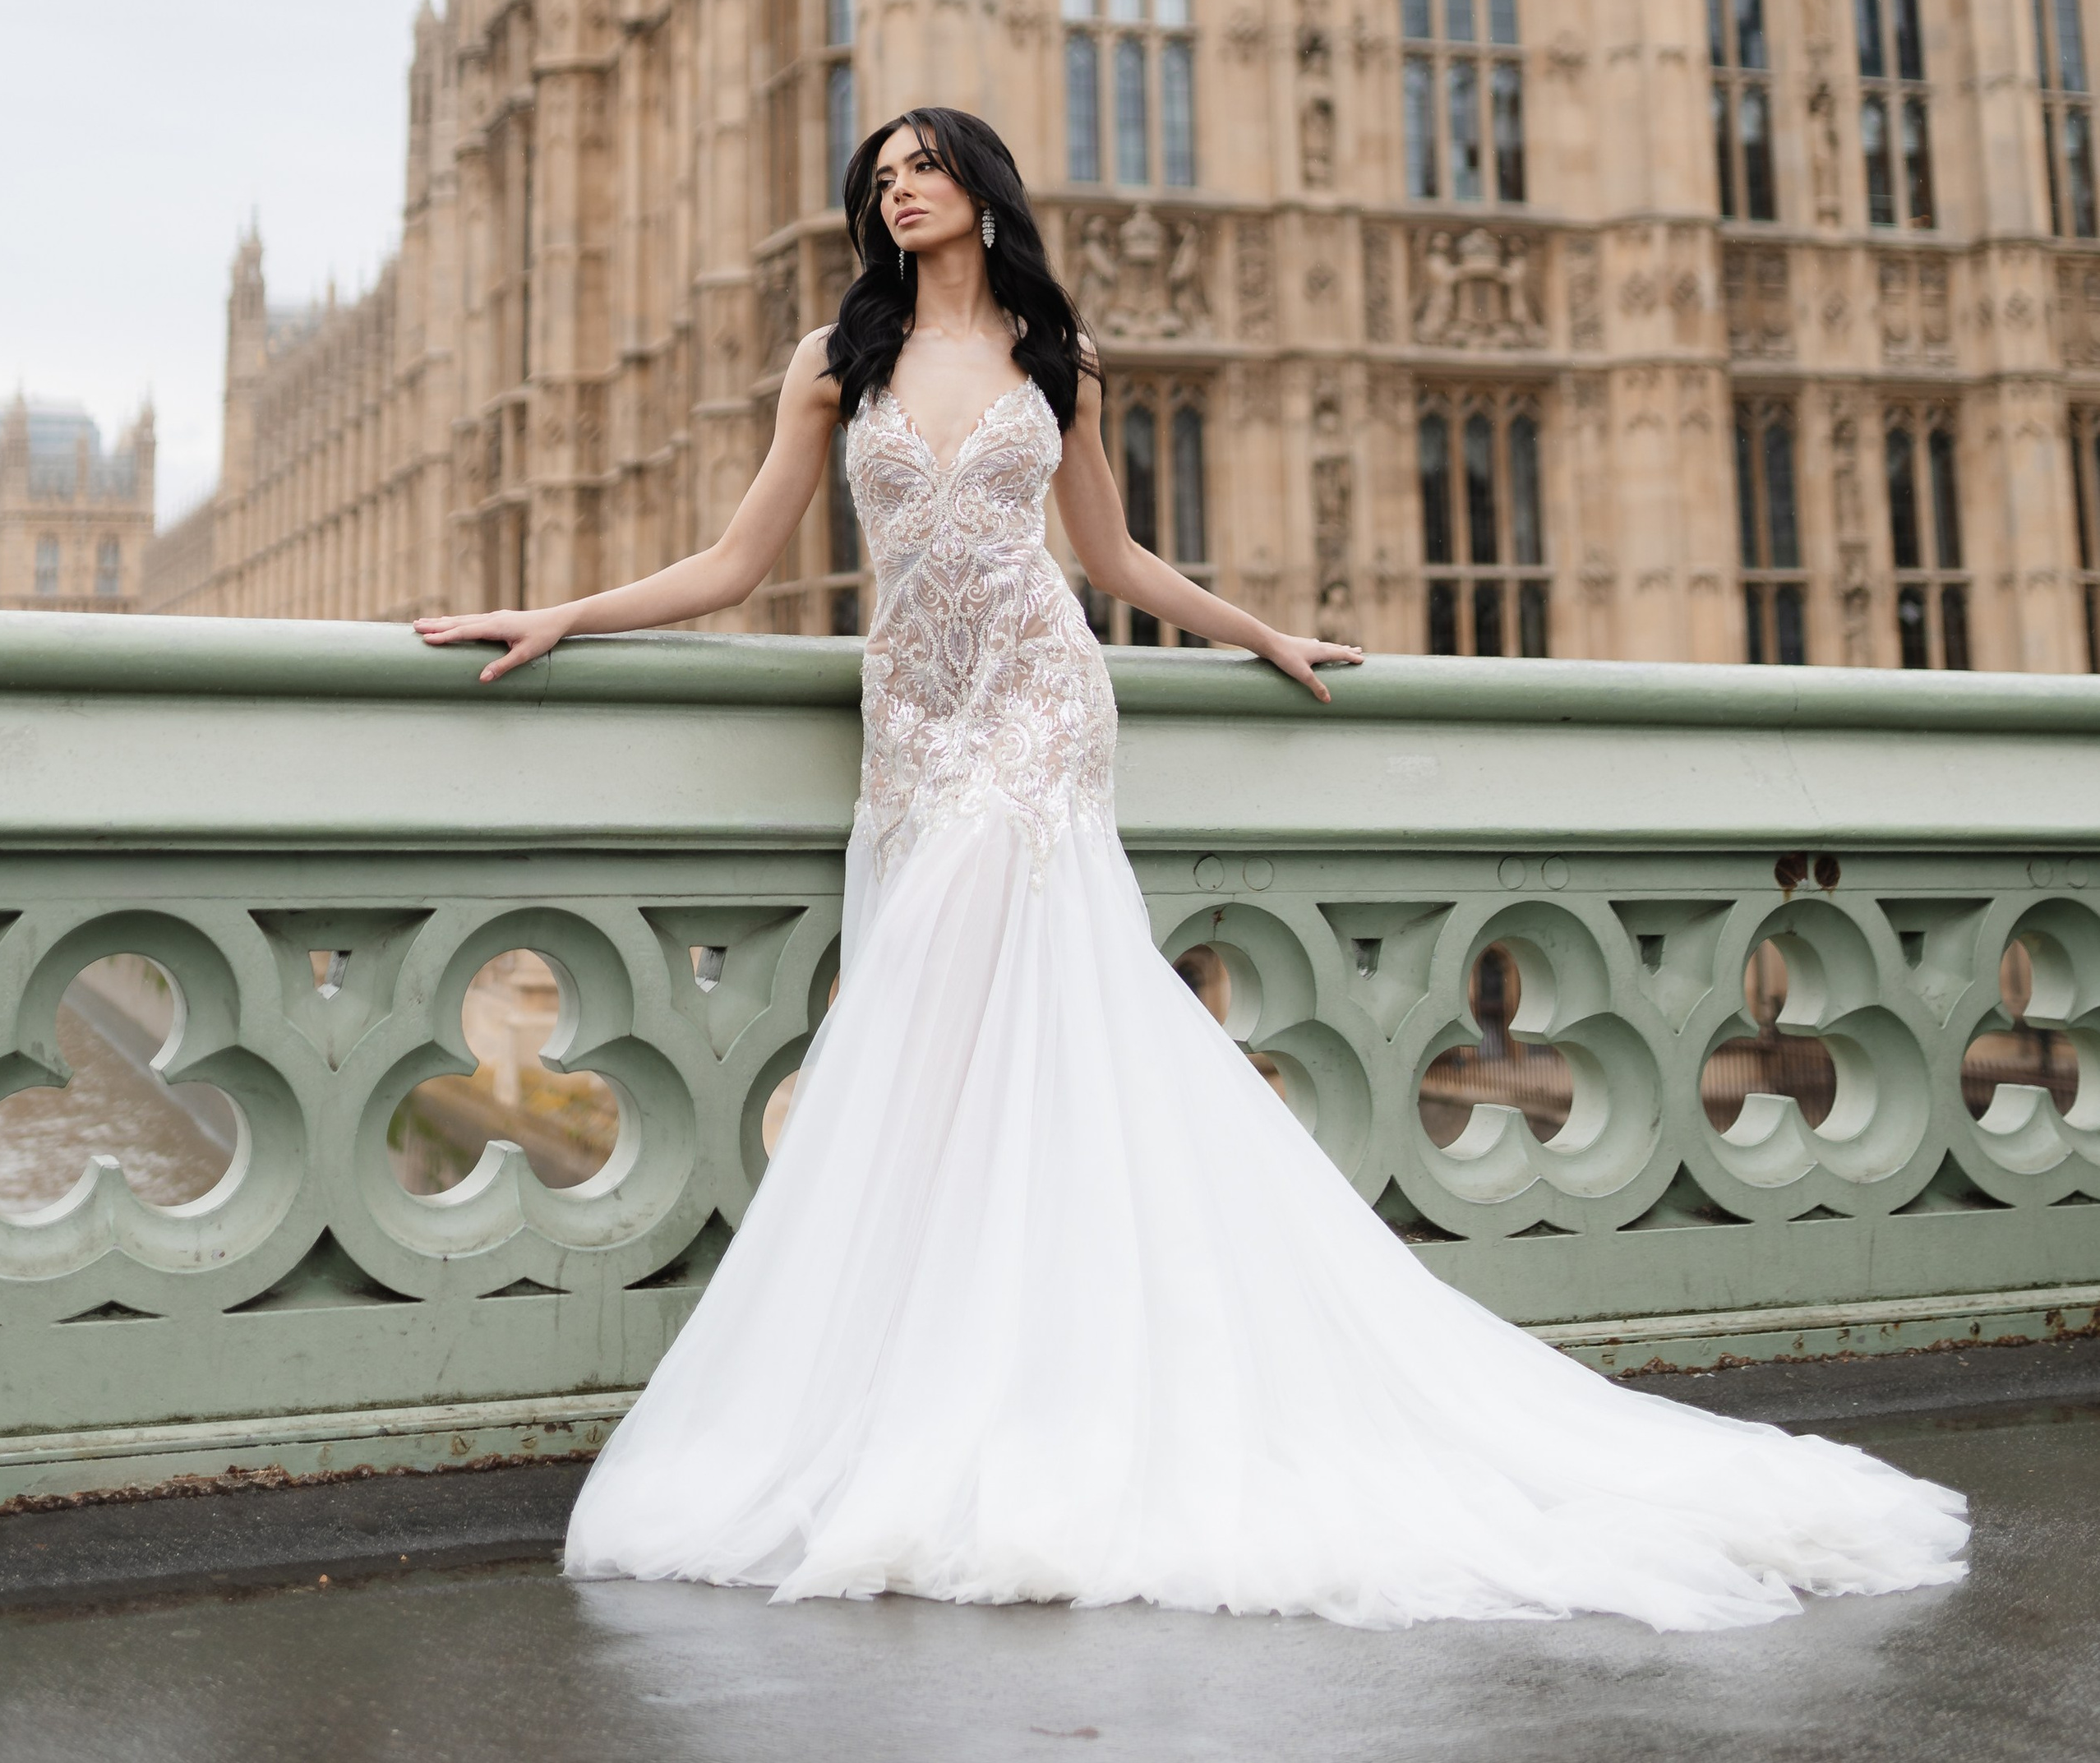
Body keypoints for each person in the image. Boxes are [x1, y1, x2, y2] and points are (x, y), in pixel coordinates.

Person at [417, 107, 1966, 1630]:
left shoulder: (1057, 357)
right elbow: (739, 558)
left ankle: (998, 1391)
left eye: (922, 169)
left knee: (986, 1019)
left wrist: (1262, 631)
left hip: (1039, 711)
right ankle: (958, 1370)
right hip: (918, 725)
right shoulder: (835, 364)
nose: (897, 193)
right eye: (876, 177)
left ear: (980, 189)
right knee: (939, 1054)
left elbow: (1115, 563)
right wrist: (560, 614)